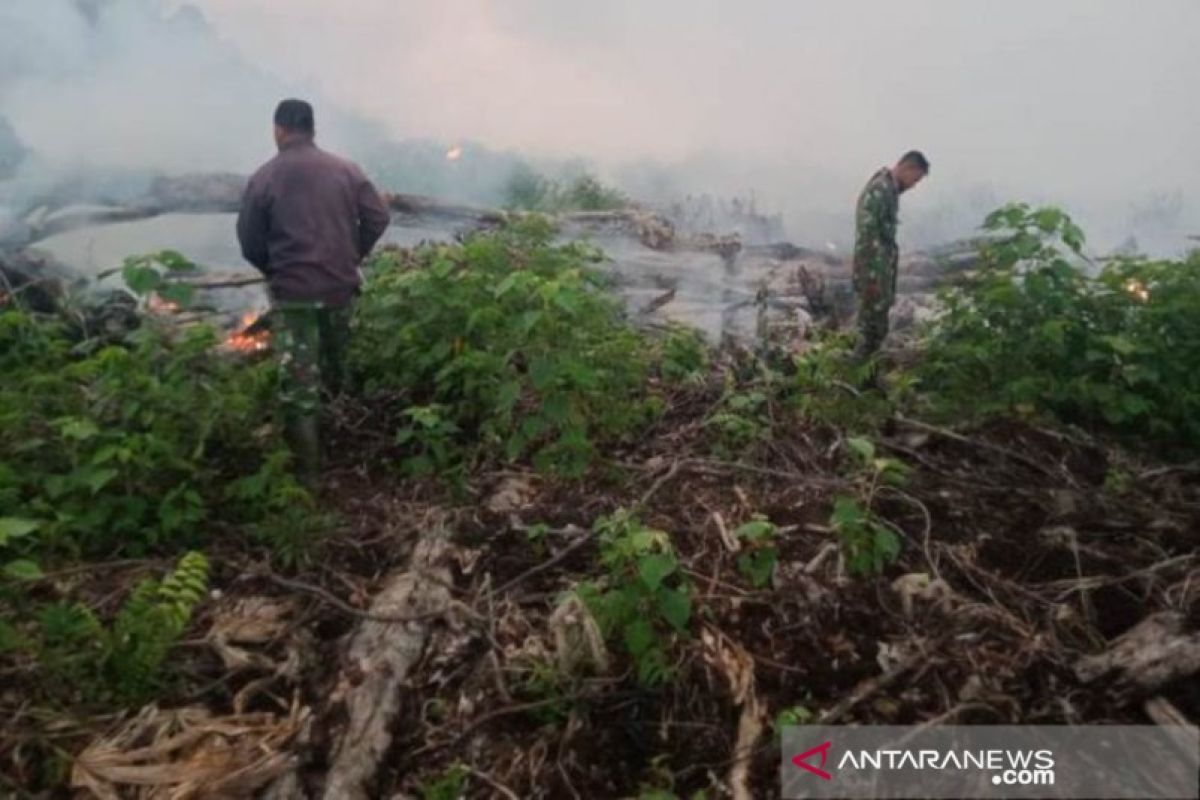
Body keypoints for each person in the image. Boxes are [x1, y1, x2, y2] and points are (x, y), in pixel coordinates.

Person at [237, 98, 391, 484]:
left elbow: (249, 240)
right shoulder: (346, 170)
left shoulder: (265, 177)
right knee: (341, 367)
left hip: (294, 295)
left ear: (279, 129)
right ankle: (354, 452)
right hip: (340, 288)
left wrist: (273, 269)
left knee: (299, 385)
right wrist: (353, 253)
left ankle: (309, 477)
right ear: (312, 129)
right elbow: (378, 216)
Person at [852, 150, 929, 363]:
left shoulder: (889, 191)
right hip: (873, 275)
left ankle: (867, 377)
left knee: (877, 329)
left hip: (879, 273)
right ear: (907, 168)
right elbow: (869, 238)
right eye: (915, 179)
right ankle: (858, 377)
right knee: (870, 331)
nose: (913, 186)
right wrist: (874, 279)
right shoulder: (880, 190)